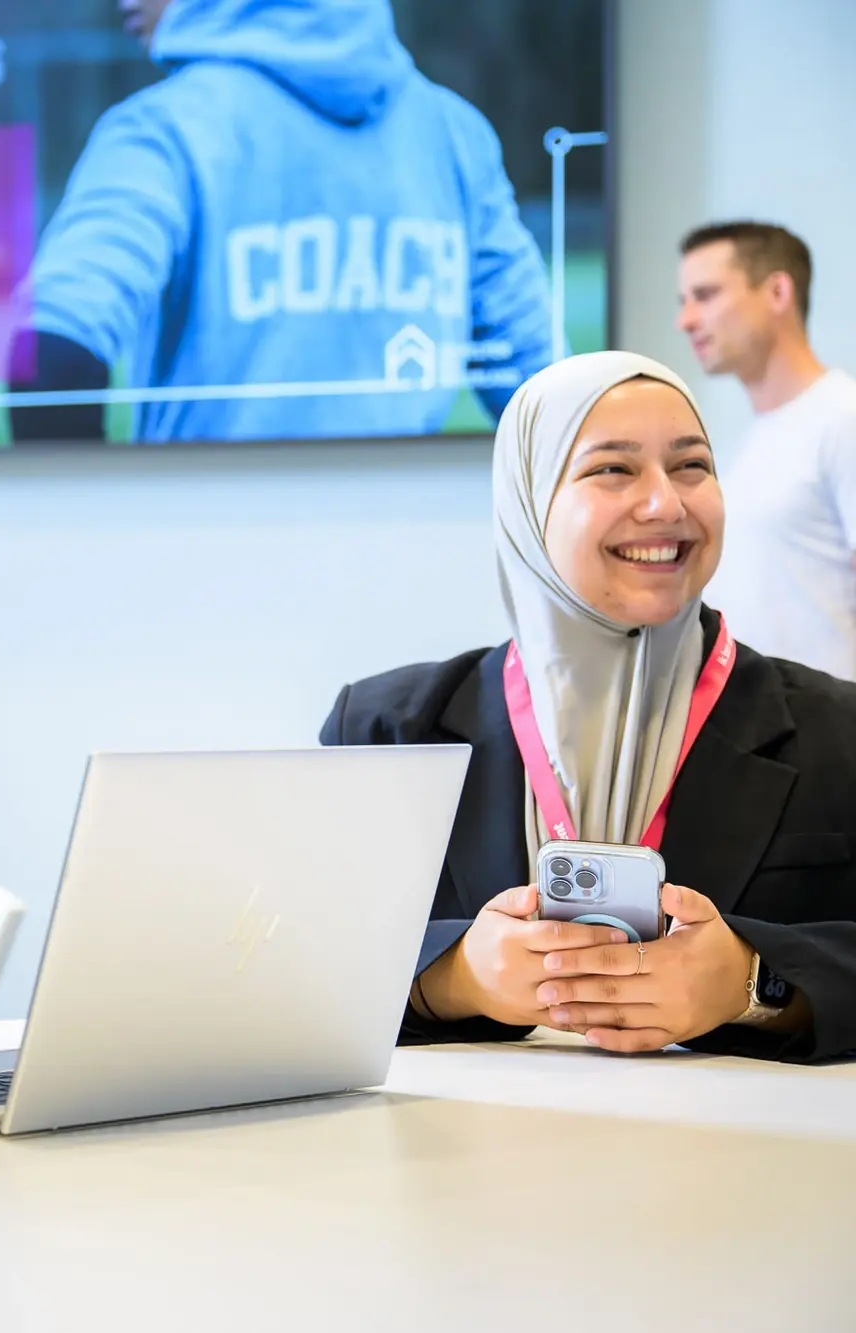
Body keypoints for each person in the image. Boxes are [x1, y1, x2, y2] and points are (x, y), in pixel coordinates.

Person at [321, 351, 855, 1063]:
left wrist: (756, 987)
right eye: (614, 468)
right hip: (457, 1159)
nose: (666, 502)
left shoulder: (835, 731)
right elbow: (293, 953)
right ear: (530, 502)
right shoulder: (387, 730)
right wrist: (449, 978)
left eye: (692, 465)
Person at [8, 0, 552, 444]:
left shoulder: (166, 128)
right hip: (404, 556)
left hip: (201, 555)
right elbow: (554, 401)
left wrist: (79, 540)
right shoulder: (453, 132)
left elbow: (54, 353)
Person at [679, 221, 856, 682]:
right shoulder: (751, 441)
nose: (687, 320)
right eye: (684, 302)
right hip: (772, 728)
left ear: (778, 291)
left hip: (833, 735)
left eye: (706, 294)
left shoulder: (843, 418)